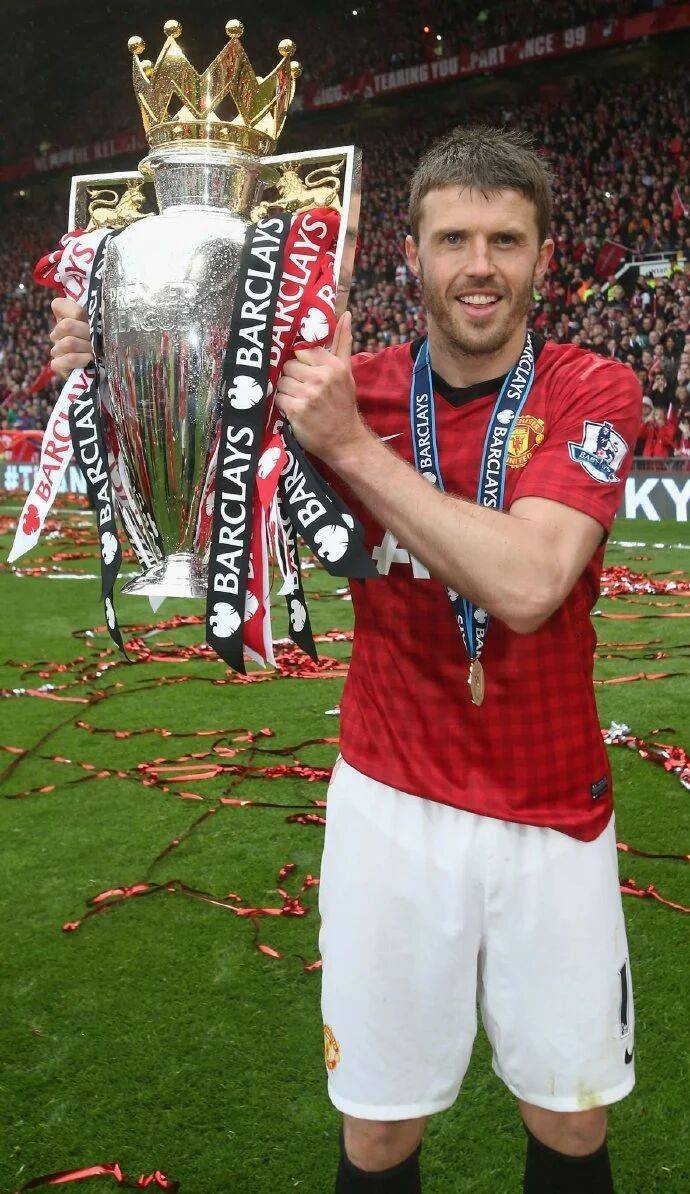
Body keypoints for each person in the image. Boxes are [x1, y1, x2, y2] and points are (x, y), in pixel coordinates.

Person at [50, 126, 642, 1194]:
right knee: (377, 1132)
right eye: (452, 239)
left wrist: (355, 451)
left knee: (569, 1120)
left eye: (505, 241)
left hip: (552, 805)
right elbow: (197, 494)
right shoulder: (346, 387)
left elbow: (527, 586)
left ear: (545, 257)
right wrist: (119, 370)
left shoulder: (592, 387)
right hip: (391, 801)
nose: (478, 266)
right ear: (409, 254)